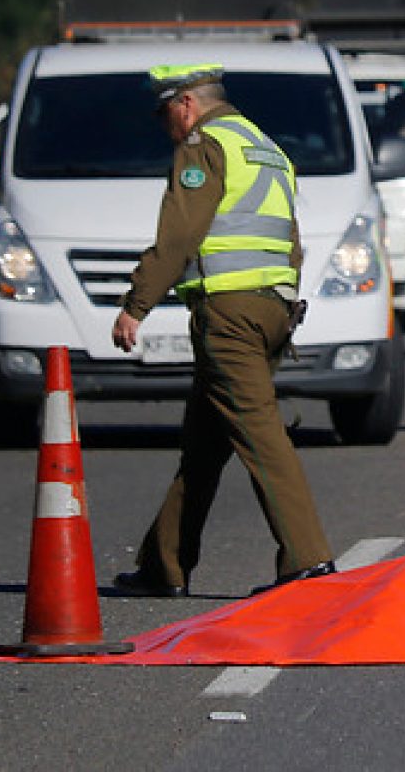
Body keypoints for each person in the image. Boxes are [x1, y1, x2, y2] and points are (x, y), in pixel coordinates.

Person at [112, 63, 334, 597]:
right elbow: (291, 241)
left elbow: (179, 235)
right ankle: (164, 566)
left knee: (261, 434)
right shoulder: (264, 146)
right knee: (205, 445)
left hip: (229, 314)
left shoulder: (204, 145)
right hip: (273, 309)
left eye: (164, 112)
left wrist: (136, 305)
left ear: (186, 103)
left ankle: (308, 561)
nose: (164, 124)